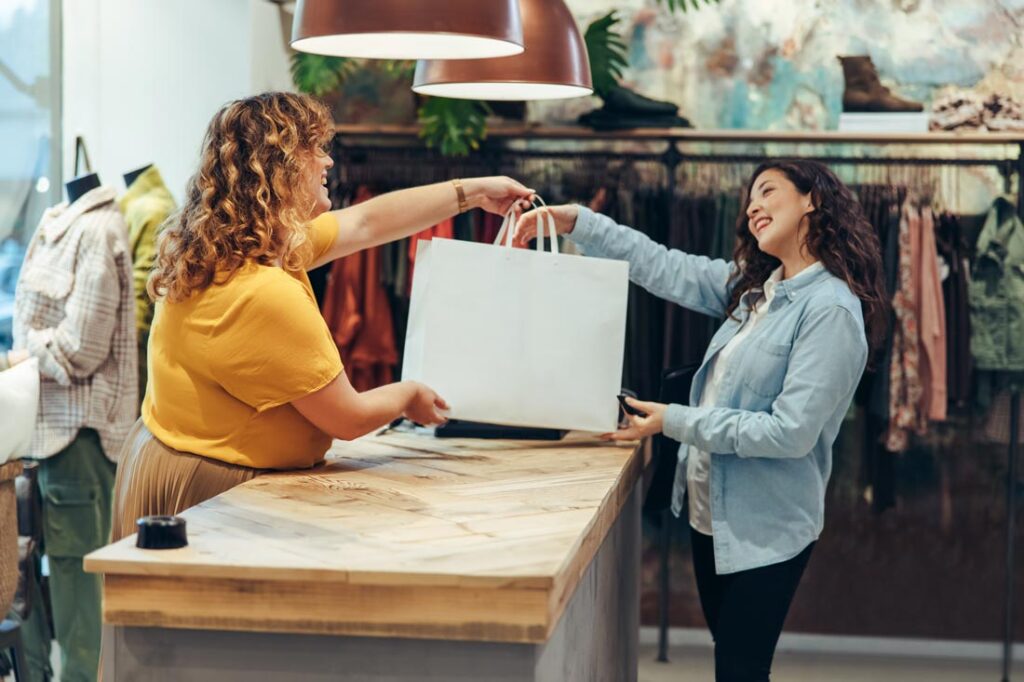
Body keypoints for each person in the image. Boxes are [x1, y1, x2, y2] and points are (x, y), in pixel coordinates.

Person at [515, 160, 886, 682]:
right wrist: (581, 221)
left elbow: (790, 432)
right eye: (749, 198)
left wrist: (674, 420)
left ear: (813, 201)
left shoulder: (830, 311)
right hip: (710, 517)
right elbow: (661, 264)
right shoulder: (756, 290)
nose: (753, 205)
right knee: (732, 665)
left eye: (769, 191)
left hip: (767, 526)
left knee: (740, 670)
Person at [111, 92, 534, 542]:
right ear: (279, 167)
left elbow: (367, 222)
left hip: (164, 459)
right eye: (314, 149)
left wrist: (474, 192)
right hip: (212, 493)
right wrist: (408, 394)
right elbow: (347, 418)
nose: (327, 162)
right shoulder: (265, 291)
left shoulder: (227, 251)